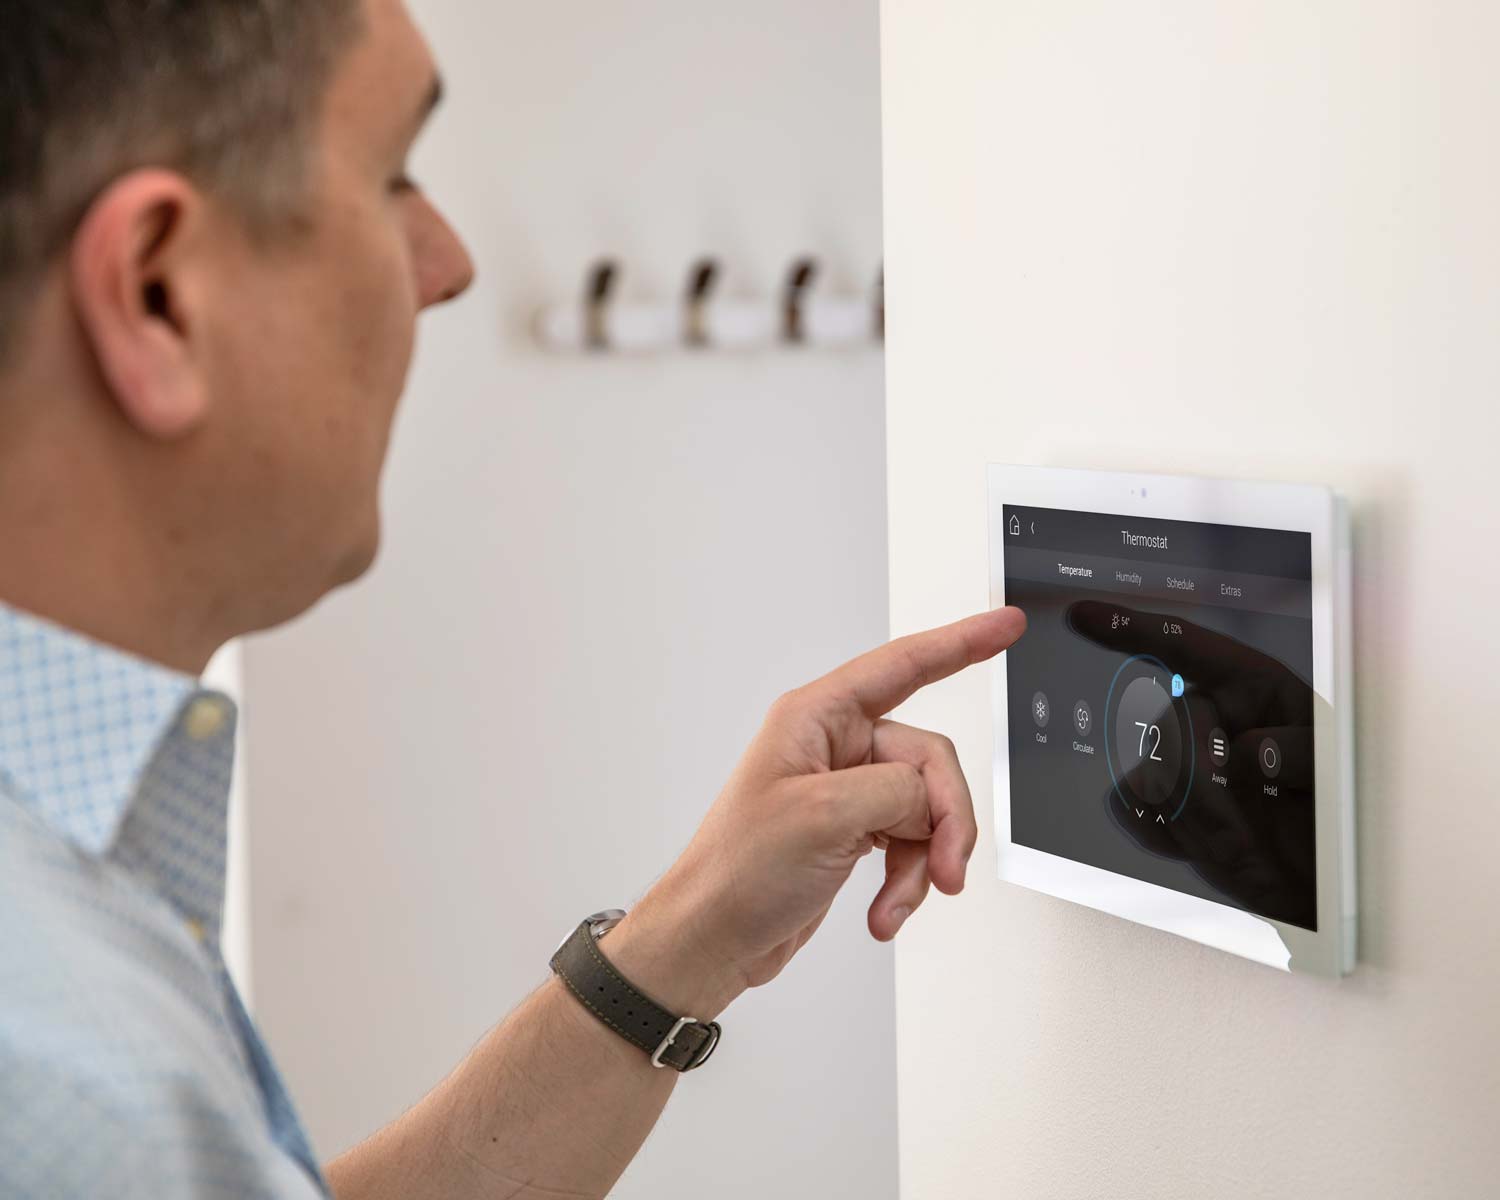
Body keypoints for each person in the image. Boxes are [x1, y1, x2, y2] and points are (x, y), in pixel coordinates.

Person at [0, 1, 1026, 1196]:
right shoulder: (62, 1075)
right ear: (159, 292)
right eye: (393, 178)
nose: (447, 264)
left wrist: (683, 936)